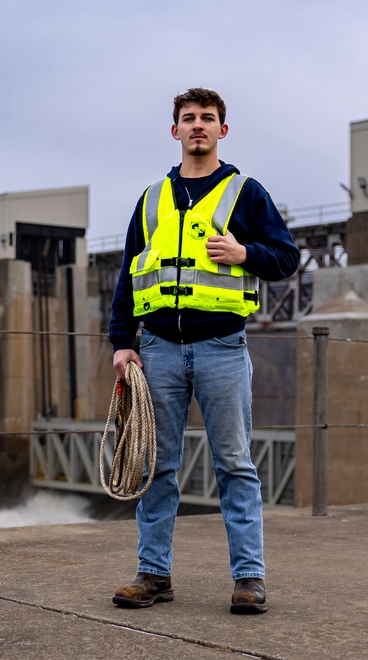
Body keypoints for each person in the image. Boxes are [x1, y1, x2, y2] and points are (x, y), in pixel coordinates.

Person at [109, 87, 299, 614]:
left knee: (235, 465)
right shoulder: (150, 200)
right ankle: (153, 576)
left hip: (222, 348)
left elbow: (287, 257)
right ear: (175, 131)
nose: (198, 126)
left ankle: (249, 579)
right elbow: (128, 275)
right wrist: (122, 342)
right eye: (189, 119)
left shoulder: (245, 193)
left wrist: (245, 252)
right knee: (156, 467)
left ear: (222, 130)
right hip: (159, 350)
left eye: (208, 119)